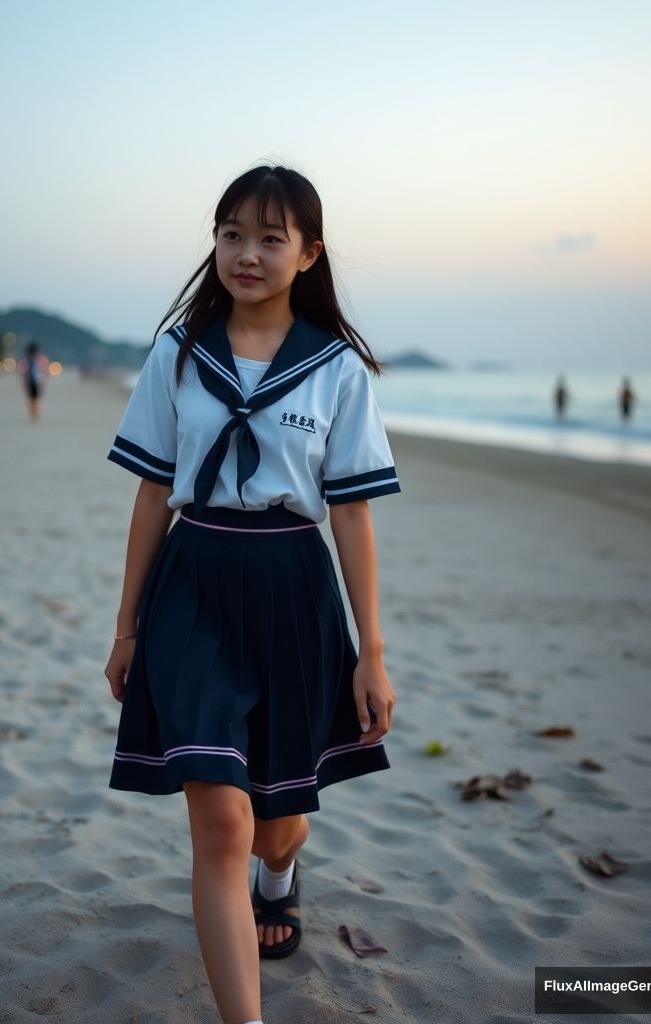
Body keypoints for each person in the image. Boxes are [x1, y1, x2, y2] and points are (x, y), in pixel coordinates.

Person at [103, 165, 401, 1024]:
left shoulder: (337, 368)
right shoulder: (179, 352)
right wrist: (125, 628)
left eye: (272, 238)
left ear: (308, 254)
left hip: (293, 588)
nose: (248, 253)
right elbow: (153, 492)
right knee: (222, 825)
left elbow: (350, 513)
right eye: (232, 233)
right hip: (193, 583)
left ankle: (283, 875)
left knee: (275, 821)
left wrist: (371, 654)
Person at [23, 341, 44, 421]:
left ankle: (35, 413)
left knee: (35, 399)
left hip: (36, 381)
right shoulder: (28, 361)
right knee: (33, 399)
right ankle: (34, 413)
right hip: (32, 381)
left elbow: (42, 372)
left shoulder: (37, 360)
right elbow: (24, 373)